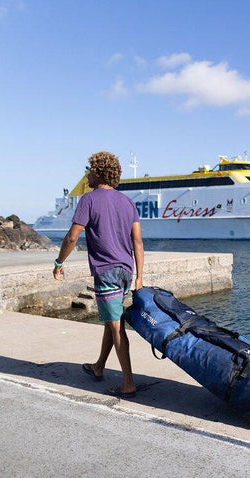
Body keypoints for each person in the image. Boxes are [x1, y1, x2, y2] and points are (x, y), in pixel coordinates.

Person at [53, 151, 144, 398]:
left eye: (90, 171)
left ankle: (128, 383)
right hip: (126, 271)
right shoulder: (127, 202)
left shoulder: (88, 200)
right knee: (111, 319)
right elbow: (137, 242)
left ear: (100, 173)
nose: (87, 176)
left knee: (116, 325)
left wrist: (59, 262)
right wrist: (139, 277)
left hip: (106, 271)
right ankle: (98, 367)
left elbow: (72, 236)